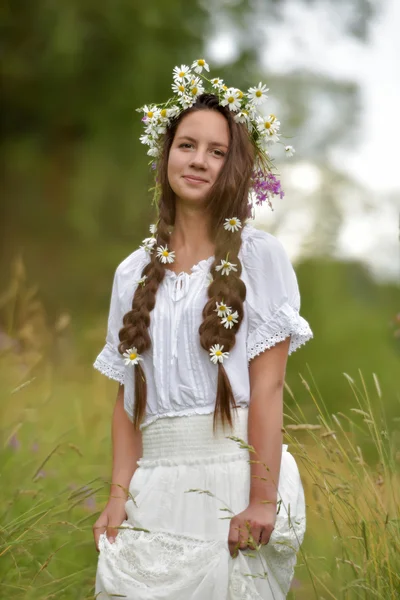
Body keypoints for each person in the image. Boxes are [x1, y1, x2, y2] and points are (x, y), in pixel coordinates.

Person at [92, 59, 313, 599]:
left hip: (230, 477)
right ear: (166, 152)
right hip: (154, 483)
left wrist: (262, 499)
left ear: (234, 168)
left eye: (218, 152)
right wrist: (119, 494)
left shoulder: (260, 257)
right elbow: (128, 398)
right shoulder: (131, 272)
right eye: (187, 145)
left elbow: (268, 388)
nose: (199, 161)